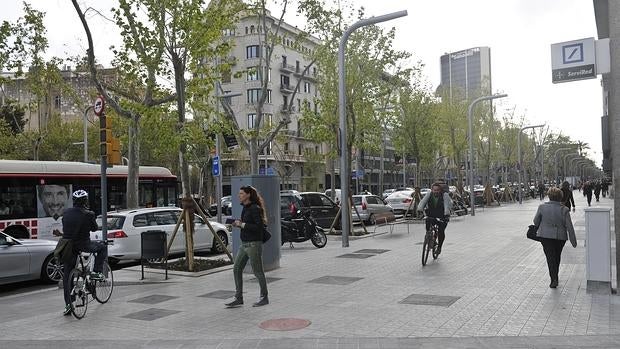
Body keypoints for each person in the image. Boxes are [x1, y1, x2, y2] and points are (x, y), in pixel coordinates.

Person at [59, 190, 107, 316]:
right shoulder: (89, 214)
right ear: (85, 201)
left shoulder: (66, 212)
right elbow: (94, 228)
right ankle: (97, 272)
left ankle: (68, 305)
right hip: (84, 244)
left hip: (68, 246)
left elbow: (65, 226)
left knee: (67, 275)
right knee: (102, 248)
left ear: (73, 201)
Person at [225, 186, 269, 308]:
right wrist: (237, 224)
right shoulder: (245, 208)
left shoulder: (255, 208)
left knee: (258, 271)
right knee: (236, 269)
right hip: (244, 244)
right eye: (239, 193)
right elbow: (248, 224)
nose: (239, 195)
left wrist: (242, 224)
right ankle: (238, 298)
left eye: (241, 193)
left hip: (254, 244)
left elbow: (259, 227)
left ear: (248, 195)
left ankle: (264, 297)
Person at [533, 187, 577, 288]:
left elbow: (535, 221)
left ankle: (554, 279)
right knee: (557, 256)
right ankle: (555, 277)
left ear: (549, 196)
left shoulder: (542, 207)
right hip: (560, 237)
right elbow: (569, 226)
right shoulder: (564, 209)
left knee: (550, 257)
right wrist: (573, 241)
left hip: (545, 236)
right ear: (560, 197)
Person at [417, 182, 452, 255]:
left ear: (440, 190)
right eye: (434, 190)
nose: (435, 191)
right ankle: (430, 239)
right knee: (428, 226)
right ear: (432, 190)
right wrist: (420, 210)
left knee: (440, 232)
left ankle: (439, 247)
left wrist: (446, 215)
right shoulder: (429, 195)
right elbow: (423, 202)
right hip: (431, 215)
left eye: (437, 190)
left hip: (442, 216)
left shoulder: (444, 195)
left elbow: (447, 205)